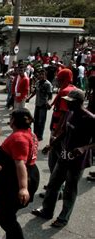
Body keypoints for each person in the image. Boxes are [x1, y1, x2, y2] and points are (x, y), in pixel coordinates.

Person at [32, 89, 95, 227]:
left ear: (79, 103)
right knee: (53, 184)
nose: (67, 104)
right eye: (67, 101)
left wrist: (84, 148)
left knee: (70, 189)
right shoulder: (69, 113)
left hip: (77, 161)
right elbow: (65, 132)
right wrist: (51, 145)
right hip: (63, 155)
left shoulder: (90, 119)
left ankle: (63, 217)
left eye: (70, 102)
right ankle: (46, 211)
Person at [0, 108, 39, 239]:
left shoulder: (19, 138)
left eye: (11, 117)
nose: (9, 119)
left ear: (14, 121)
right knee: (10, 213)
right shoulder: (28, 133)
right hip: (19, 177)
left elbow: (20, 164)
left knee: (4, 215)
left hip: (15, 181)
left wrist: (23, 188)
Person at [26, 69, 53, 141]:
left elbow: (50, 96)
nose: (41, 76)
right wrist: (28, 98)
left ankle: (40, 136)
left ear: (45, 75)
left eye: (42, 74)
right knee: (35, 120)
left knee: (41, 121)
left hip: (43, 105)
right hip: (37, 104)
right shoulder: (37, 82)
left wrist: (49, 102)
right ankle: (35, 134)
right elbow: (35, 92)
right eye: (40, 74)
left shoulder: (48, 84)